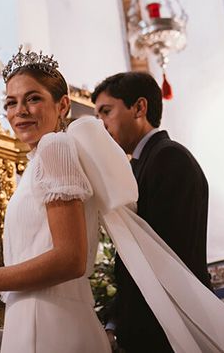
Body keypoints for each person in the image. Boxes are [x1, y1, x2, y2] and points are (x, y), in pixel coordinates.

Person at [0, 47, 112, 352]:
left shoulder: (56, 148)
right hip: (34, 316)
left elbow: (70, 258)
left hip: (51, 323)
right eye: (11, 103)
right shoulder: (39, 160)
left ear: (63, 105)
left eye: (33, 98)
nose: (20, 111)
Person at [92, 72, 211, 352]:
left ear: (139, 108)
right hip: (150, 317)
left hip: (171, 320)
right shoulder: (139, 165)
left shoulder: (169, 158)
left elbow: (163, 254)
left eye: (106, 112)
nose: (101, 126)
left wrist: (117, 322)